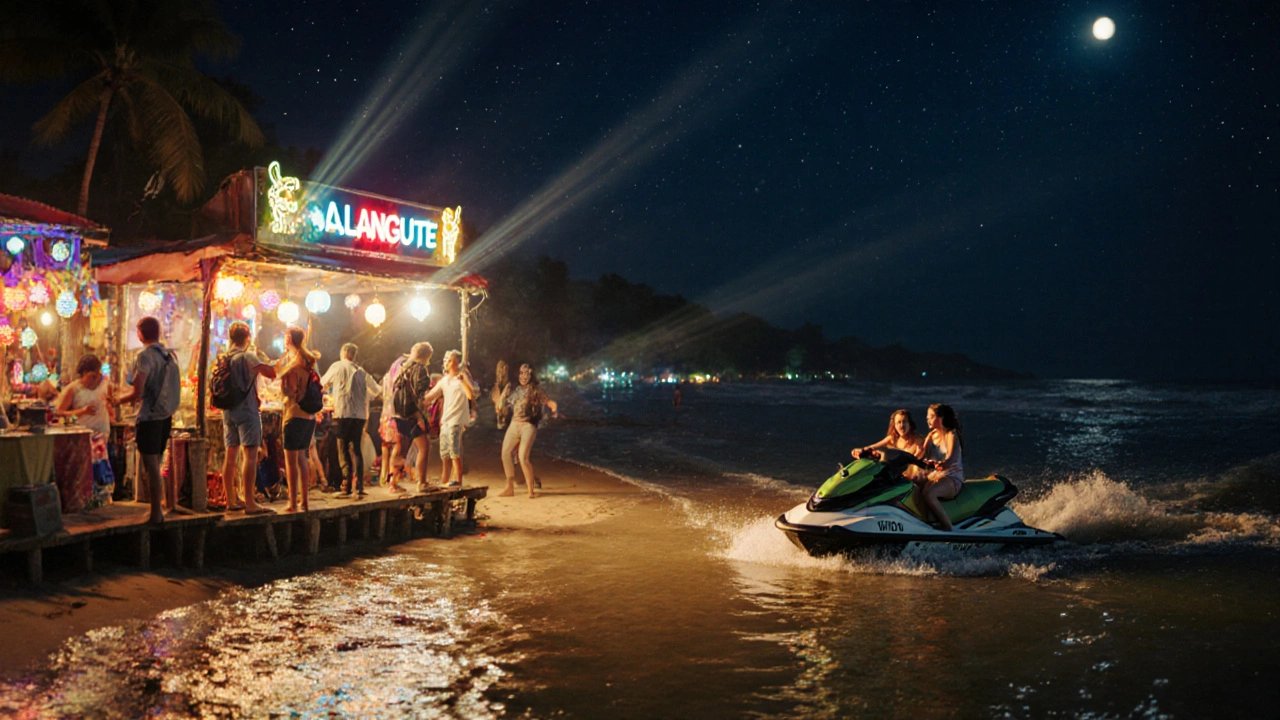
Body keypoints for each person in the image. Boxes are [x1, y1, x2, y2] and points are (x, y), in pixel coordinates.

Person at [116, 317, 177, 524]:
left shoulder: (145, 357)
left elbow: (138, 391)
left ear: (141, 333)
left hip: (149, 417)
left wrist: (117, 400)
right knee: (156, 464)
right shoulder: (169, 356)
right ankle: (159, 508)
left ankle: (155, 513)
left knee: (151, 466)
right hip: (166, 416)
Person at [218, 321, 276, 514]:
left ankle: (231, 501)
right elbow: (271, 373)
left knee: (230, 455)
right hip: (247, 410)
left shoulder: (225, 357)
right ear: (248, 337)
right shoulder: (247, 356)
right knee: (250, 456)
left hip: (228, 411)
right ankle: (250, 503)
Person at [322, 342, 379, 497]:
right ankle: (359, 487)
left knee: (342, 448)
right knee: (356, 450)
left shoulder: (337, 366)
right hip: (359, 416)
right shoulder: (362, 371)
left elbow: (322, 383)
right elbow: (377, 391)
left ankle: (346, 485)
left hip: (343, 413)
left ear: (343, 353)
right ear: (354, 355)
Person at [275, 325, 320, 513]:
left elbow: (292, 392)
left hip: (293, 415)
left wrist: (284, 391)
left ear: (290, 340)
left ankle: (293, 503)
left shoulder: (294, 365)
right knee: (303, 458)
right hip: (309, 417)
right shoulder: (309, 361)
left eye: (286, 338)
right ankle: (305, 502)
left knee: (291, 461)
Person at [498, 364, 558, 498]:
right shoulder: (516, 391)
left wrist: (554, 408)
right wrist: (503, 393)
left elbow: (548, 402)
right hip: (514, 424)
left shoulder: (536, 391)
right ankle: (509, 487)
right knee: (505, 454)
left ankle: (530, 490)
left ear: (531, 376)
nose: (524, 376)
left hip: (528, 426)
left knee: (522, 457)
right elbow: (501, 408)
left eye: (527, 373)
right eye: (521, 373)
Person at [423, 350, 478, 489]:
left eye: (449, 359)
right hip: (446, 419)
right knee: (444, 452)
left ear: (456, 362)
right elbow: (431, 395)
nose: (446, 362)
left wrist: (463, 381)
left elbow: (471, 395)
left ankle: (458, 480)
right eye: (445, 359)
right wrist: (420, 399)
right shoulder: (444, 380)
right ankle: (445, 478)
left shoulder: (461, 377)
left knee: (454, 450)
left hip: (457, 419)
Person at [913, 403, 965, 532]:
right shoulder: (931, 436)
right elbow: (920, 456)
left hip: (951, 478)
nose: (928, 420)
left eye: (931, 416)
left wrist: (939, 464)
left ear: (940, 418)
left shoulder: (951, 435)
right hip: (935, 477)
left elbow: (951, 459)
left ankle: (948, 528)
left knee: (929, 494)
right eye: (927, 417)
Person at [391, 342, 434, 494]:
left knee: (401, 449)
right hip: (412, 415)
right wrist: (421, 417)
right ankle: (422, 483)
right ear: (427, 355)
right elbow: (420, 397)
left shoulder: (404, 367)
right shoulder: (420, 369)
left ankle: (393, 483)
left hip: (399, 414)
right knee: (424, 447)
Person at [851, 409, 926, 479]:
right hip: (894, 476)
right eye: (898, 422)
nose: (902, 425)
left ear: (910, 424)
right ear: (894, 425)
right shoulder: (892, 439)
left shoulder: (918, 440)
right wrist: (861, 450)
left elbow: (918, 456)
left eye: (904, 421)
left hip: (912, 478)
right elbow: (873, 447)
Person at [55, 354, 114, 435]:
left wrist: (110, 405)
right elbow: (59, 412)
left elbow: (110, 407)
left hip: (101, 433)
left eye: (98, 375)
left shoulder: (106, 385)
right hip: (81, 434)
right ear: (85, 373)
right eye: (93, 376)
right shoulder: (74, 388)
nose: (96, 379)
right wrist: (83, 411)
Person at [491, 360, 511, 430]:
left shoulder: (507, 384)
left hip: (502, 405)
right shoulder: (498, 383)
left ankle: (502, 421)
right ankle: (501, 421)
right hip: (500, 405)